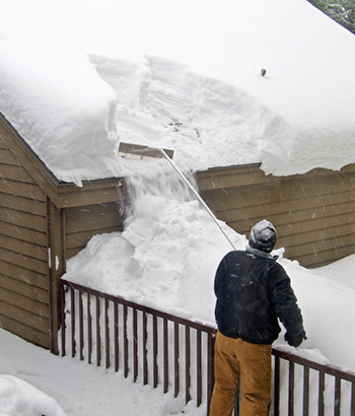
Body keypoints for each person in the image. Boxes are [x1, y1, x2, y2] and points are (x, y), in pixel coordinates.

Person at [209, 219, 306, 416]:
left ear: (251, 240)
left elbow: (218, 289)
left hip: (225, 338)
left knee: (223, 388)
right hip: (254, 344)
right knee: (255, 396)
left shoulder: (230, 259)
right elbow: (286, 306)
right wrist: (295, 333)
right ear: (271, 246)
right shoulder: (273, 271)